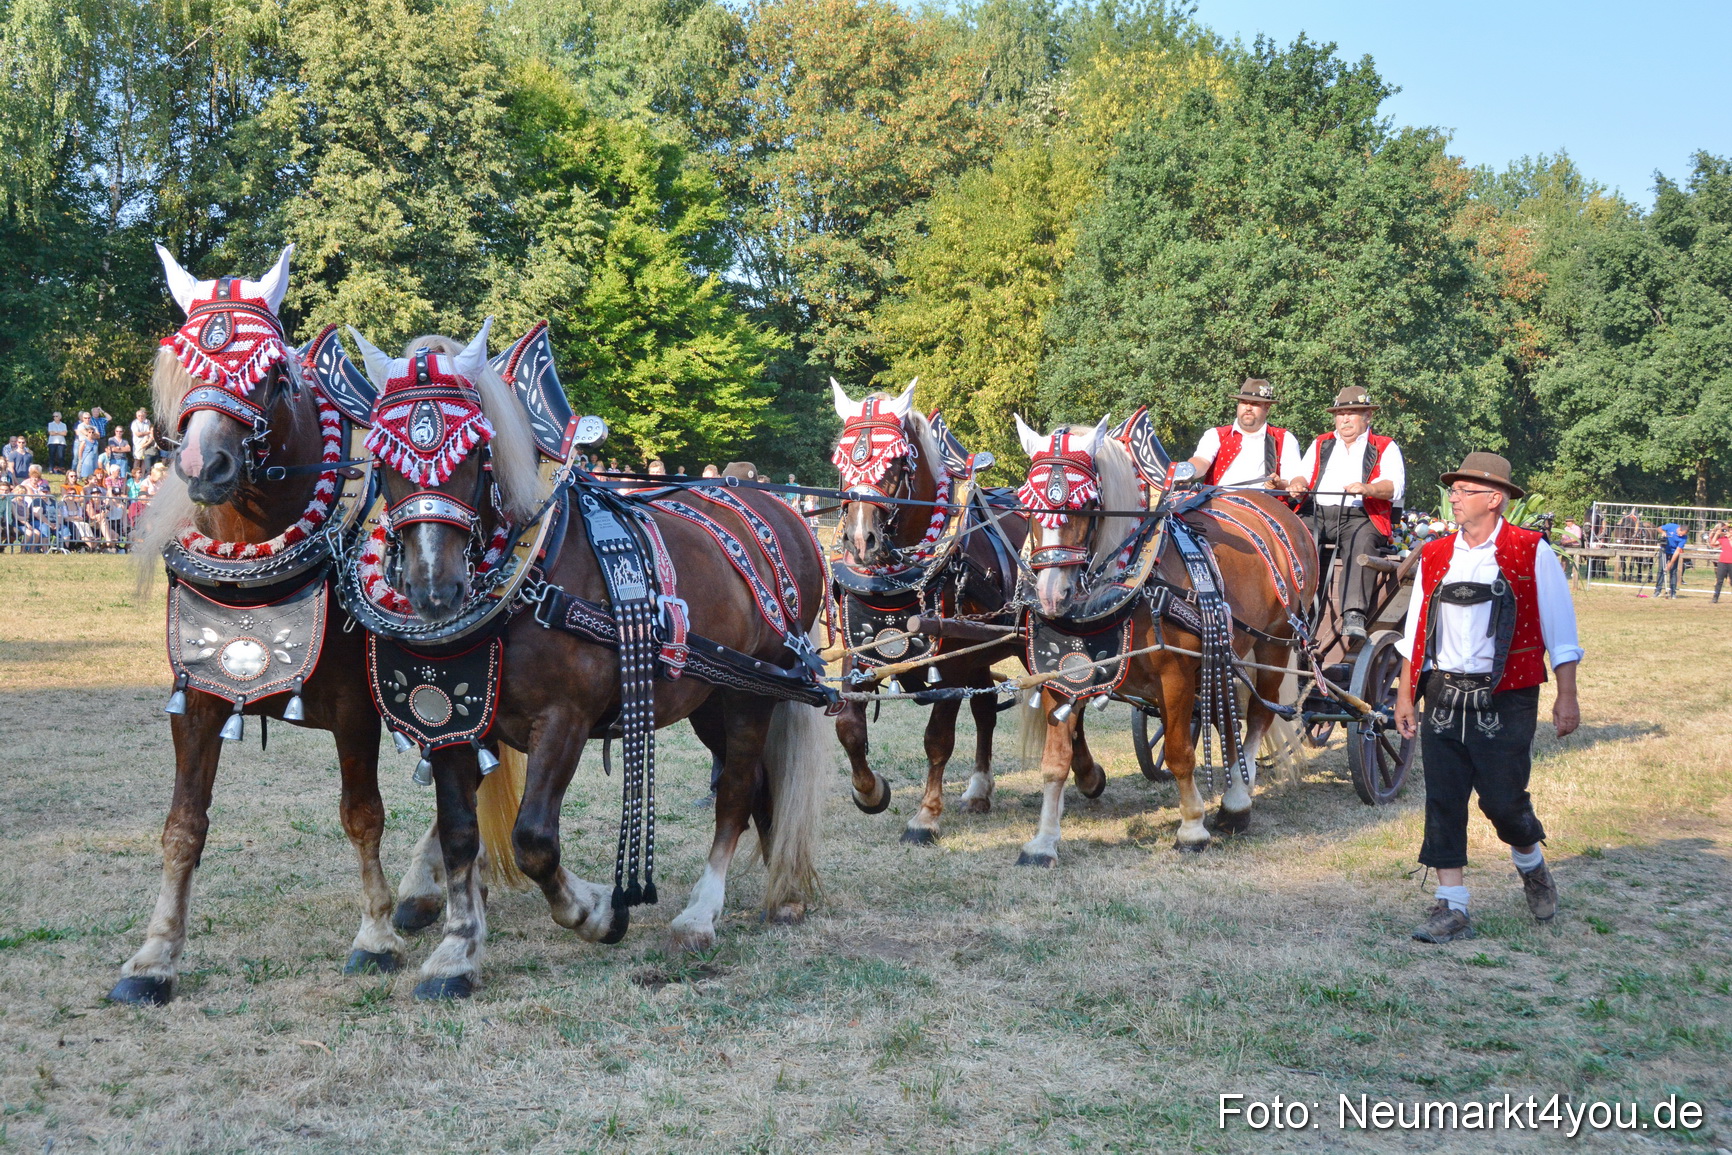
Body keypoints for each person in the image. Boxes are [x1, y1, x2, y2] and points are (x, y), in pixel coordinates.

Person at [1393, 452, 1581, 944]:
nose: (1453, 496)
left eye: (1464, 490)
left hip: (1508, 696)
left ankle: (1531, 862)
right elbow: (1415, 631)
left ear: (1494, 499)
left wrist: (1567, 696)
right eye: (1453, 489)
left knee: (1502, 801)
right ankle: (1451, 907)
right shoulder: (1435, 554)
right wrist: (1405, 695)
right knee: (1443, 798)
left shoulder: (1531, 550)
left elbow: (1561, 631)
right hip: (1443, 691)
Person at [1286, 386, 1407, 641]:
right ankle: (1293, 607)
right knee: (1292, 535)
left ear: (1367, 417)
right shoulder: (1322, 442)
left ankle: (1353, 613)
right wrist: (1297, 484)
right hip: (1316, 513)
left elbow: (1394, 486)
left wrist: (1367, 488)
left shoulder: (1385, 445)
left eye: (1352, 413)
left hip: (1359, 515)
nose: (1345, 419)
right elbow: (1302, 474)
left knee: (1362, 541)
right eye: (1341, 414)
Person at [1184, 378, 1303, 490]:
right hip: (1217, 503)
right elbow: (1202, 460)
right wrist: (1188, 472)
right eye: (1244, 402)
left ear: (1267, 407)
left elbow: (1292, 479)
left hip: (1263, 505)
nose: (1248, 408)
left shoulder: (1285, 438)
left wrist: (1278, 484)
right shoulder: (1215, 435)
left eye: (1255, 403)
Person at [1655, 522, 1687, 598]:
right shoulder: (1671, 526)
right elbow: (1659, 528)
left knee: (1673, 571)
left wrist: (1670, 563)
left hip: (1674, 553)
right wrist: (1663, 532)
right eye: (1681, 533)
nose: (1681, 535)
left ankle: (1673, 592)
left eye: (1683, 534)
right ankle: (1657, 590)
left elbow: (1677, 551)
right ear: (1679, 529)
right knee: (1661, 570)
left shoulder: (1684, 538)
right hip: (1664, 550)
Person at [1709, 523, 1732, 603]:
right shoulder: (1723, 539)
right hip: (1723, 562)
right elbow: (1712, 543)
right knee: (1719, 580)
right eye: (1728, 530)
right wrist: (1717, 534)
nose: (1728, 532)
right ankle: (1715, 597)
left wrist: (1730, 539)